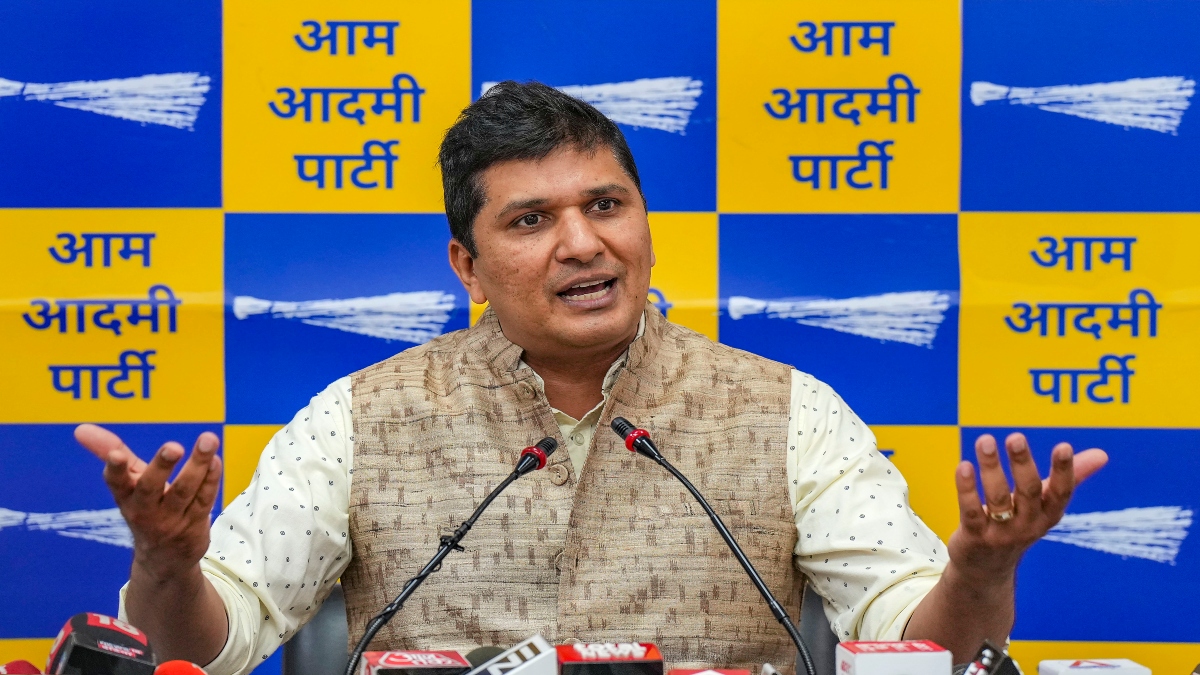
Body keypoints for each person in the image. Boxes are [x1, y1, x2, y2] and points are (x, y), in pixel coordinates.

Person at [76, 81, 1107, 675]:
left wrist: (980, 572)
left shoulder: (789, 412)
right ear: (467, 265)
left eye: (606, 206)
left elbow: (921, 650)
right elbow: (201, 651)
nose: (583, 243)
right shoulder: (360, 417)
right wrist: (166, 564)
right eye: (532, 220)